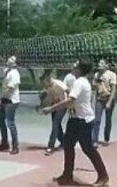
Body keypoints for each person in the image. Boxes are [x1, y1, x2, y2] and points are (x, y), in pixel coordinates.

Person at [42, 59, 109, 187]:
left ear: (80, 69)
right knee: (68, 145)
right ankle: (67, 175)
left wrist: (51, 108)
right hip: (75, 119)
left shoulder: (80, 82)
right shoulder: (77, 80)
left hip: (83, 120)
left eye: (76, 65)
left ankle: (103, 176)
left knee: (88, 148)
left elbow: (70, 100)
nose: (73, 66)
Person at [0, 56, 21, 155]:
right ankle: (4, 143)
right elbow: (4, 87)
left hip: (11, 101)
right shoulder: (7, 71)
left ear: (15, 63)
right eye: (10, 58)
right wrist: (0, 99)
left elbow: (9, 89)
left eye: (12, 59)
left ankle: (15, 146)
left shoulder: (15, 74)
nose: (9, 60)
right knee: (0, 120)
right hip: (5, 100)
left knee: (10, 123)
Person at [39, 71, 68, 155]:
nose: (43, 84)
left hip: (62, 105)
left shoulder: (58, 84)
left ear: (48, 79)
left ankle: (50, 146)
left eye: (44, 81)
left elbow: (67, 91)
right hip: (53, 106)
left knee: (55, 124)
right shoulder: (47, 86)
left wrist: (70, 103)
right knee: (57, 125)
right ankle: (63, 142)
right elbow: (47, 98)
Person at [91, 59, 117, 147]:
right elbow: (95, 89)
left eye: (102, 63)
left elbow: (113, 89)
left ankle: (106, 138)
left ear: (106, 65)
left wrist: (109, 102)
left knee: (108, 119)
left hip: (108, 98)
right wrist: (93, 100)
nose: (100, 65)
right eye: (99, 63)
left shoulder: (111, 74)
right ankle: (95, 140)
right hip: (99, 99)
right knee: (97, 119)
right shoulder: (96, 75)